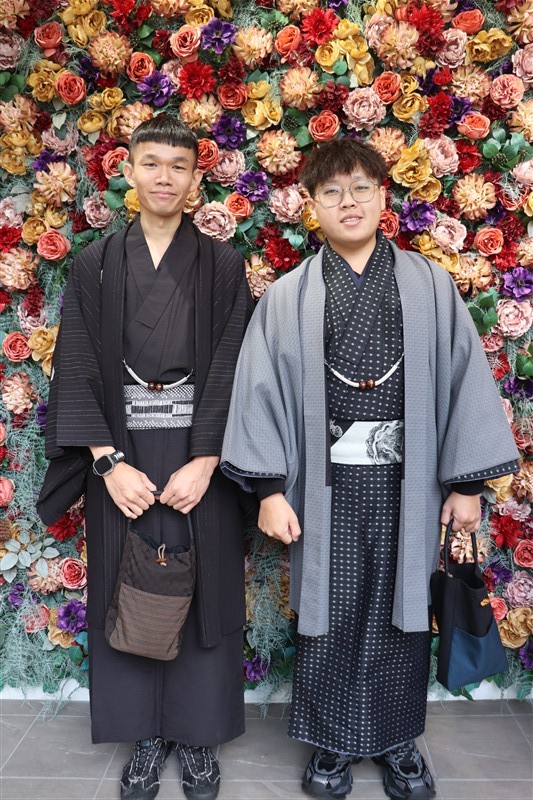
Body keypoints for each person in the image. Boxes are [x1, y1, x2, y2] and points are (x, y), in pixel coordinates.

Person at [220, 138, 519, 800]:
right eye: (331, 192)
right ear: (311, 205)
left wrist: (466, 484)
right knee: (327, 608)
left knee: (400, 608)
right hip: (321, 482)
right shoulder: (288, 296)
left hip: (408, 479)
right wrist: (268, 490)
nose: (348, 202)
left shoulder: (428, 285)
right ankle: (330, 742)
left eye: (361, 188)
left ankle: (396, 740)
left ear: (384, 195)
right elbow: (259, 391)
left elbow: (463, 378)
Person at [38, 115, 254, 800]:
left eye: (178, 166)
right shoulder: (96, 263)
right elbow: (76, 362)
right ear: (127, 171)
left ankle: (197, 737)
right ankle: (145, 736)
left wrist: (207, 459)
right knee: (123, 585)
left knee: (205, 584)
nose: (164, 177)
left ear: (196, 179)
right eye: (151, 163)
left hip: (199, 454)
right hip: (122, 453)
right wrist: (105, 462)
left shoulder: (221, 264)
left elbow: (234, 364)